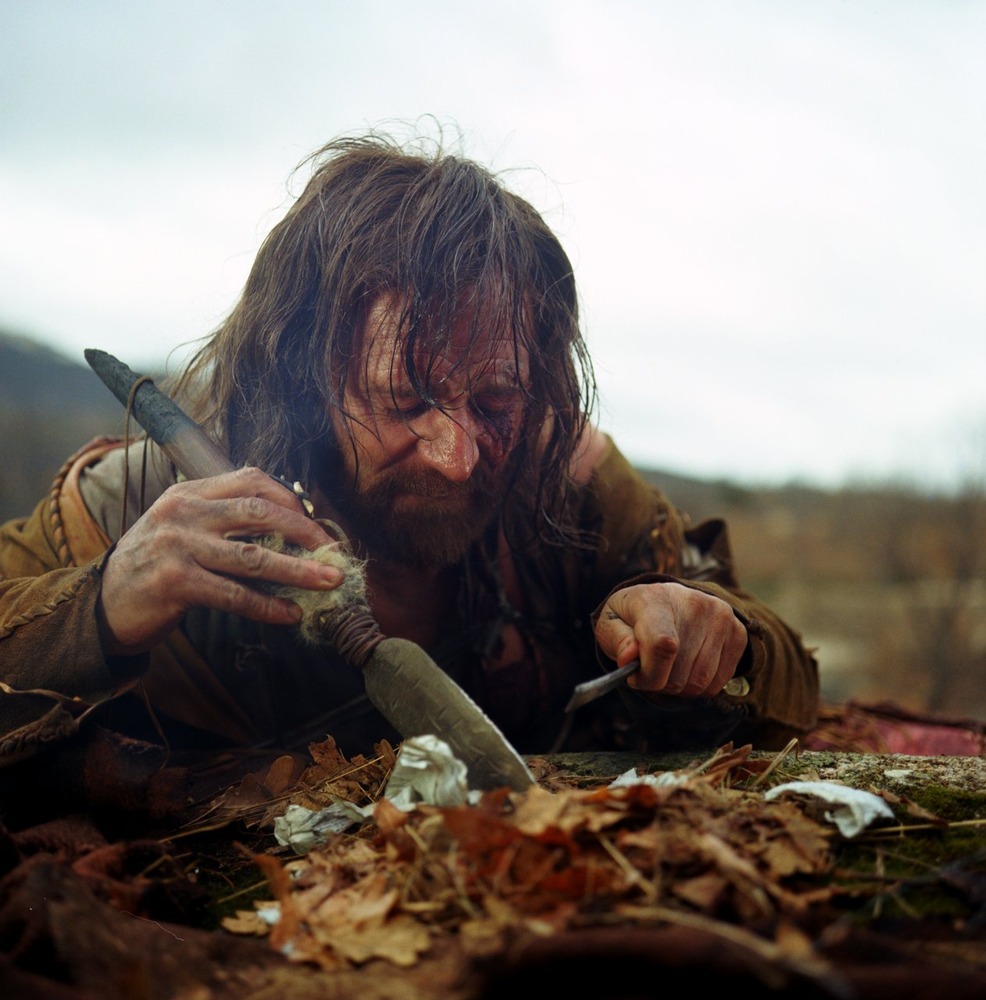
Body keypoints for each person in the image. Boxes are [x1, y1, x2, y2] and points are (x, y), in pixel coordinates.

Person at [0, 132, 818, 809]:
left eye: (496, 401)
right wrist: (101, 609)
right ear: (307, 380)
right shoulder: (132, 509)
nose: (458, 458)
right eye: (404, 400)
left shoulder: (570, 489)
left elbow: (785, 678)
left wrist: (708, 635)